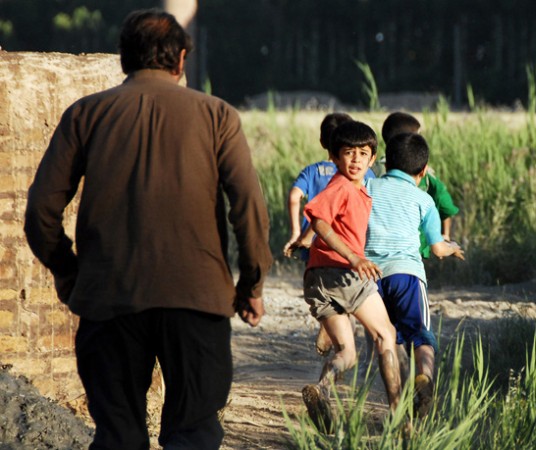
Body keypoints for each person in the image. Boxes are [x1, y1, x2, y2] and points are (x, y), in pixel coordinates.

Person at [23, 9, 272, 450]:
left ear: (123, 59)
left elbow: (41, 209)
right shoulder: (218, 115)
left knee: (118, 435)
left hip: (109, 300)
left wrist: (69, 272)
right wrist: (251, 282)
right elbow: (248, 205)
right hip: (198, 300)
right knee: (193, 432)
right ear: (180, 60)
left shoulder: (86, 114)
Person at [285, 121, 401, 432]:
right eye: (348, 153)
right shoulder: (341, 186)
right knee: (385, 334)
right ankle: (399, 413)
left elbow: (318, 225)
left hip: (318, 279)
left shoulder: (357, 189)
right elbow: (321, 222)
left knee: (347, 353)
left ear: (373, 159)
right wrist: (353, 257)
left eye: (363, 153)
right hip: (344, 273)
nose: (356, 160)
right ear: (334, 158)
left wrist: (302, 241)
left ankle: (322, 389)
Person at [365, 132, 465, 417]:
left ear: (385, 163)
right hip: (407, 275)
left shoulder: (367, 187)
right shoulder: (423, 200)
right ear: (423, 171)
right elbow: (436, 248)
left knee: (387, 339)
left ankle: (396, 406)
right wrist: (453, 246)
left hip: (369, 277)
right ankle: (424, 377)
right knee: (421, 335)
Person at [283, 112, 374, 356]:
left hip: (315, 246)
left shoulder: (312, 171)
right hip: (349, 251)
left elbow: (295, 196)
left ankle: (329, 327)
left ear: (324, 143)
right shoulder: (364, 172)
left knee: (321, 287)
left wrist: (297, 234)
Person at [381, 111, 460, 255]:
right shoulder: (422, 171)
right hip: (413, 252)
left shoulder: (370, 168)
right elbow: (444, 203)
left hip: (375, 252)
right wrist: (446, 236)